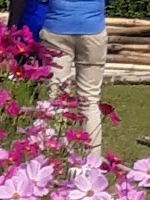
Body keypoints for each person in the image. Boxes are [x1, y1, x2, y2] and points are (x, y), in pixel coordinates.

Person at [35, 0, 107, 163]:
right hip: (93, 28)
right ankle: (93, 164)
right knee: (90, 100)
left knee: (56, 99)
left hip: (57, 27)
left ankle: (53, 160)